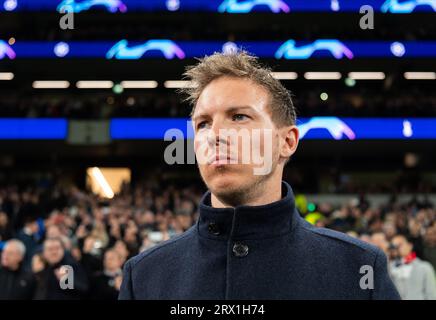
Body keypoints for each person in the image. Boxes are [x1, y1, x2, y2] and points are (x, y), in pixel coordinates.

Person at [119, 51, 400, 300]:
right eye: (203, 124)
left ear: (287, 142)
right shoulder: (144, 276)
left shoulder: (359, 270)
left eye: (239, 117)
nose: (215, 135)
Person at [389, 234, 436, 300]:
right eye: (393, 246)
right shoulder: (389, 269)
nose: (396, 248)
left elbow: (432, 295)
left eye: (400, 245)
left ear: (410, 246)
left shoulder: (425, 267)